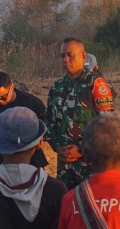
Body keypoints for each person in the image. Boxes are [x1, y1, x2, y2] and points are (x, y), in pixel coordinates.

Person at [45, 38, 116, 187]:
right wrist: (56, 146)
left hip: (90, 164)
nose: (65, 60)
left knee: (89, 200)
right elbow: (49, 121)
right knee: (65, 199)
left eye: (70, 55)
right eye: (62, 56)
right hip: (64, 166)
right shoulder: (56, 87)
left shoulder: (96, 84)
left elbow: (107, 125)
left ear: (83, 56)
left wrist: (82, 149)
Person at [0, 72, 48, 169]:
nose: (0, 101)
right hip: (4, 163)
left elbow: (47, 124)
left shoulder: (31, 102)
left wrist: (40, 138)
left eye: (3, 97)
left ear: (11, 87)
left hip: (33, 161)